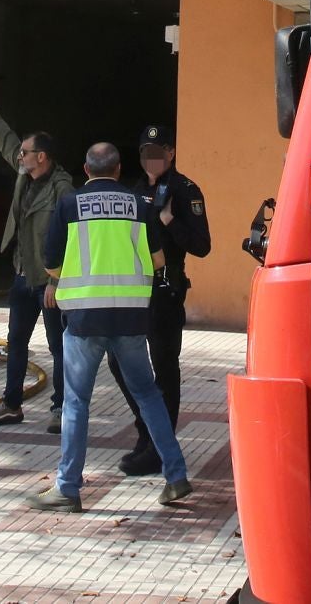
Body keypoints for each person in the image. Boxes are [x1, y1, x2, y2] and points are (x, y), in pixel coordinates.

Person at [30, 142, 193, 512]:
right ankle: (176, 475)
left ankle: (68, 487)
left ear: (85, 171)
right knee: (149, 395)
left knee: (76, 403)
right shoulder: (140, 206)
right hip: (132, 318)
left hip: (84, 320)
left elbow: (51, 264)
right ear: (119, 170)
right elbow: (157, 260)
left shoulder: (69, 205)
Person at [106, 123, 211, 476]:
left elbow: (202, 246)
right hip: (133, 292)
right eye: (145, 154)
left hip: (165, 292)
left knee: (165, 369)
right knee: (119, 363)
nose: (152, 159)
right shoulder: (133, 192)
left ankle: (157, 447)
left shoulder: (184, 190)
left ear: (171, 153)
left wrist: (169, 221)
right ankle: (146, 432)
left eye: (158, 152)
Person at [0, 76, 72, 432]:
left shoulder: (63, 188)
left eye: (27, 153)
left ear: (41, 157)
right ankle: (11, 405)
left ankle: (61, 409)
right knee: (16, 342)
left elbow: (71, 238)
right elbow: (8, 143)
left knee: (59, 348)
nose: (20, 156)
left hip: (48, 282)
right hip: (21, 276)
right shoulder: (23, 173)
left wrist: (55, 280)